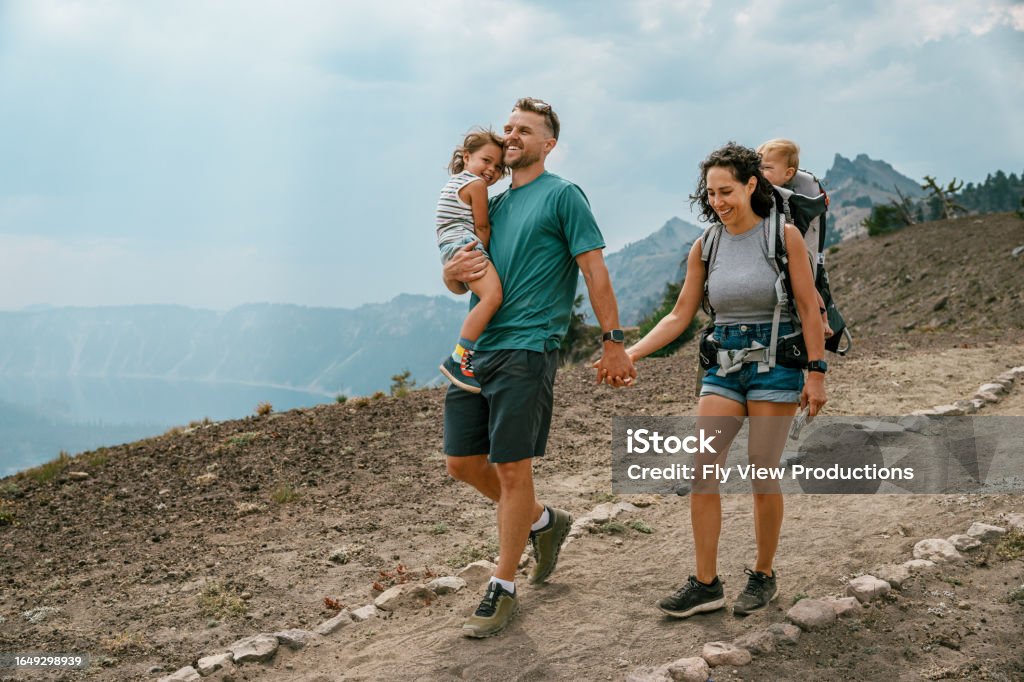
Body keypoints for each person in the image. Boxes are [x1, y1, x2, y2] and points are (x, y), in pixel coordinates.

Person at [441, 97, 635, 638]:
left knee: (511, 470)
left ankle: (502, 586)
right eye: (506, 128)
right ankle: (544, 522)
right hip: (478, 351)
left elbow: (594, 271)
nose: (510, 136)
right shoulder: (492, 204)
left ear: (547, 143)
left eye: (523, 129)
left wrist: (614, 341)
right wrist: (451, 276)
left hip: (528, 348)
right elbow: (465, 276)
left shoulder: (563, 196)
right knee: (461, 463)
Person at [626, 142, 827, 618]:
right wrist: (630, 352)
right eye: (711, 193)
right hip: (723, 363)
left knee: (761, 470)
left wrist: (816, 374)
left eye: (726, 191)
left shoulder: (784, 236)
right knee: (703, 470)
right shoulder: (707, 244)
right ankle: (705, 583)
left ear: (751, 185)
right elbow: (680, 315)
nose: (717, 201)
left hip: (777, 361)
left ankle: (763, 575)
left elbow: (808, 307)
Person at [436, 128, 508, 393]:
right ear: (466, 157)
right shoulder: (475, 185)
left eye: (499, 167)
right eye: (486, 160)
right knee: (493, 297)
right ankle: (459, 358)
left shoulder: (453, 183)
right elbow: (482, 226)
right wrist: (485, 252)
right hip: (466, 244)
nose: (491, 169)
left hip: (450, 246)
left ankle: (463, 357)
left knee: (485, 296)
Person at [757, 138, 833, 338]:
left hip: (792, 253)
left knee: (807, 283)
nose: (760, 173)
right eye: (758, 167)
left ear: (788, 174)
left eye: (767, 168)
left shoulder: (789, 199)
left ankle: (823, 319)